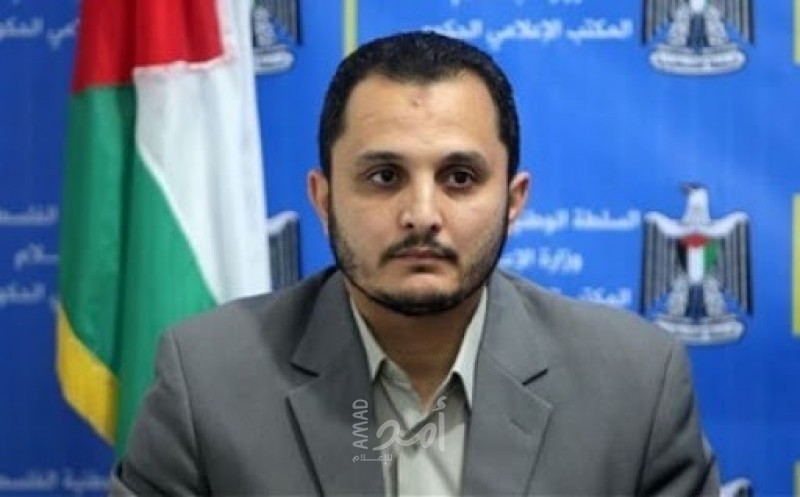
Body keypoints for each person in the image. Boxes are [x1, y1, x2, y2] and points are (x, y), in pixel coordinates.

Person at [112, 31, 719, 496]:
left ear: (513, 202)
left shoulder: (634, 386)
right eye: (384, 176)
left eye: (460, 178)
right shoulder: (209, 381)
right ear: (324, 200)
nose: (422, 214)